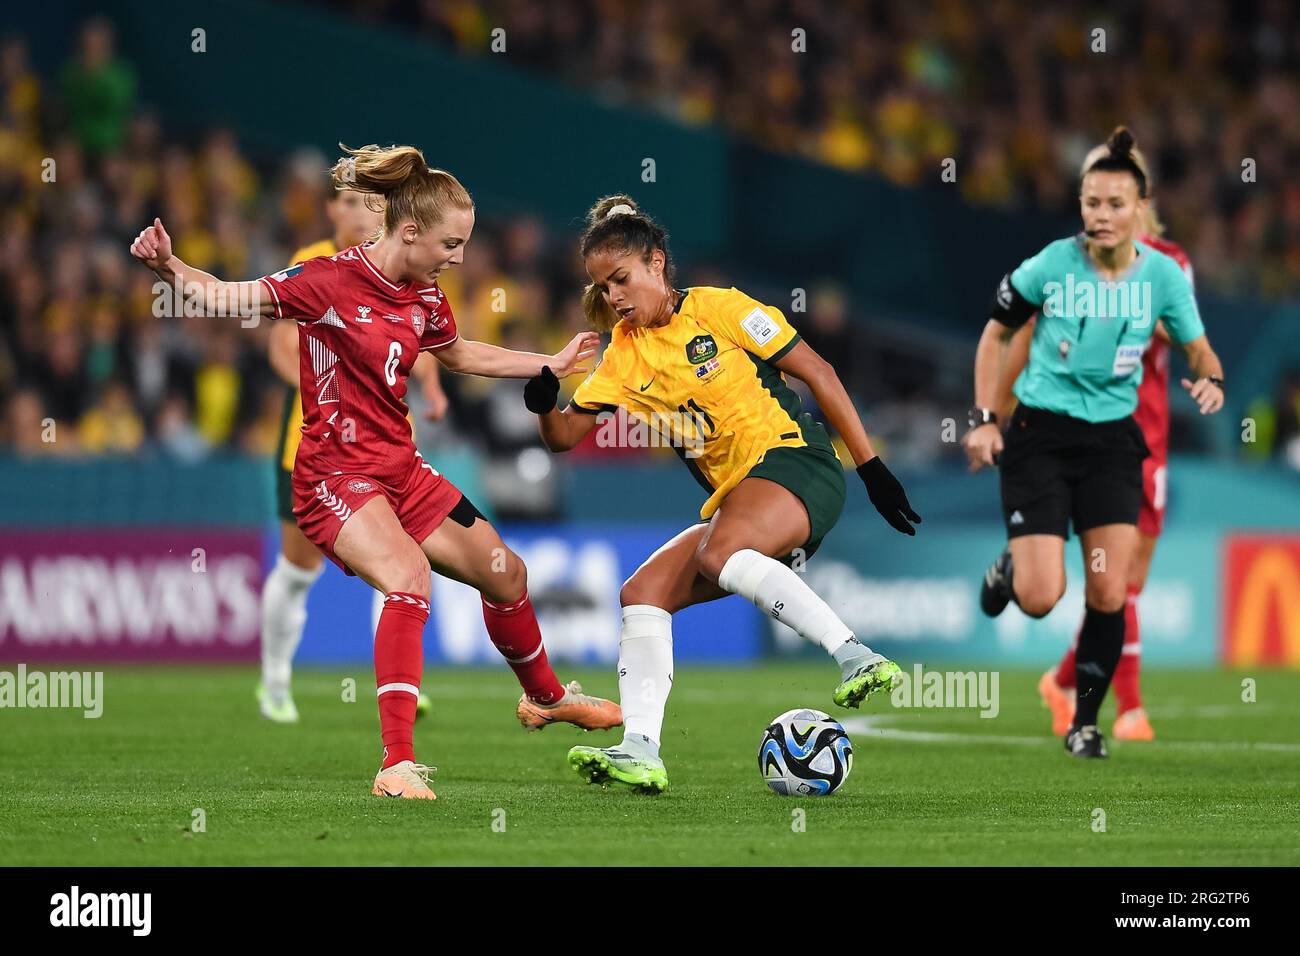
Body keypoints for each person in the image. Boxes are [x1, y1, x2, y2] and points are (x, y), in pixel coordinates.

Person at [129, 144, 622, 800]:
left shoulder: (425, 295)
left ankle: (546, 698)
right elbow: (226, 297)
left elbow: (460, 353)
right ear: (410, 231)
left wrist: (548, 364)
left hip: (402, 470)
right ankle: (395, 764)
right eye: (452, 242)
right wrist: (170, 266)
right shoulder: (328, 282)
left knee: (507, 573)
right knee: (408, 579)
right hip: (334, 477)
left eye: (466, 243)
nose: (460, 257)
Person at [524, 194, 920, 793]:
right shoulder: (620, 358)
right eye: (603, 287)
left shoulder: (721, 309)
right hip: (740, 505)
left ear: (657, 262)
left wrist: (870, 466)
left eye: (622, 278)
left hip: (799, 464)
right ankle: (641, 749)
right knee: (642, 593)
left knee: (719, 551)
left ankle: (855, 655)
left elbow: (820, 372)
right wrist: (544, 401)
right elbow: (563, 438)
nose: (615, 297)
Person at [963, 127, 1225, 759]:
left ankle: (1086, 720)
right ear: (1080, 205)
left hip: (1113, 445)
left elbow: (1195, 344)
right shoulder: (1053, 264)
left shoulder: (1163, 274)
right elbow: (998, 333)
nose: (1101, 216)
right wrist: (984, 417)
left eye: (1114, 204)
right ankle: (1011, 569)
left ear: (1140, 209)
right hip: (1041, 439)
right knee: (1040, 596)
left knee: (1110, 590)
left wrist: (1210, 377)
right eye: (1091, 203)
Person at [258, 184, 449, 723]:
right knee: (299, 571)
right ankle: (274, 681)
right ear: (331, 211)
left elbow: (415, 337)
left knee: (395, 559)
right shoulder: (313, 264)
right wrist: (328, 393)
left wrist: (432, 390)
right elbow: (282, 347)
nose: (362, 212)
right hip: (311, 442)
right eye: (349, 202)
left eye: (371, 203)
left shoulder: (394, 268)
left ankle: (397, 682)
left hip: (379, 448)